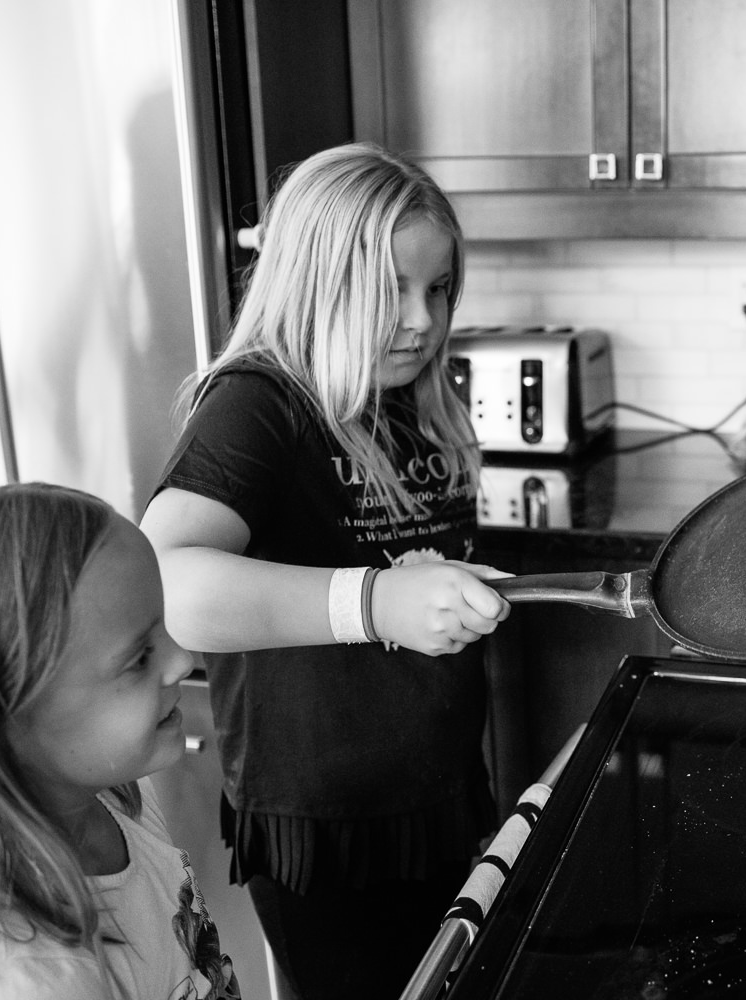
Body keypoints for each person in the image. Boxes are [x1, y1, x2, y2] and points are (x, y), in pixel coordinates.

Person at [137, 141, 511, 999]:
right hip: (327, 827)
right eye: (390, 289)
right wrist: (376, 602)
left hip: (441, 794)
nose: (421, 319)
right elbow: (169, 581)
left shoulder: (411, 401)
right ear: (312, 279)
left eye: (438, 288)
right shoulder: (260, 404)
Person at [0, 483, 238, 1000]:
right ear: (5, 719)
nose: (181, 661)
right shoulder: (30, 977)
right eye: (139, 657)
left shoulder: (113, 794)